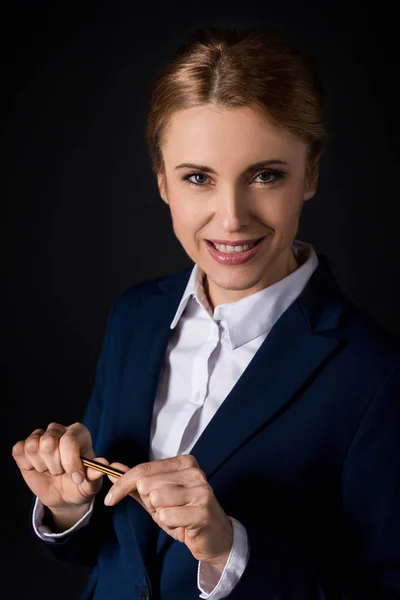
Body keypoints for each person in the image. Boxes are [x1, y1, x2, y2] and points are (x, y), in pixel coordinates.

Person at [12, 25, 400, 600]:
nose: (232, 217)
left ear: (311, 174)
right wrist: (69, 506)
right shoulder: (136, 316)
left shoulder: (378, 375)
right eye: (198, 178)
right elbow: (115, 557)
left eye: (265, 176)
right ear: (162, 181)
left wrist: (229, 549)